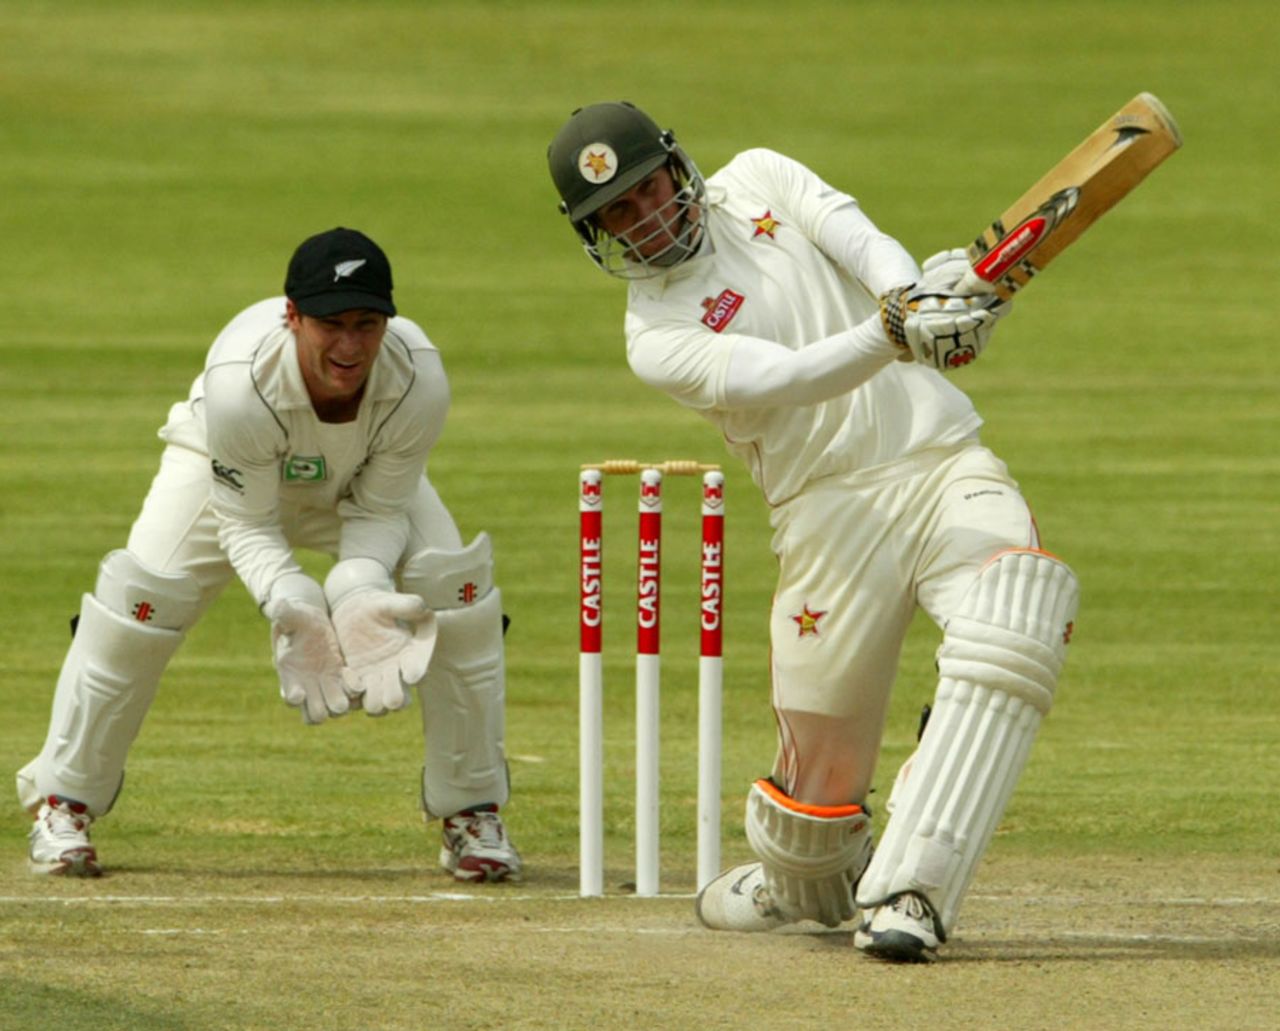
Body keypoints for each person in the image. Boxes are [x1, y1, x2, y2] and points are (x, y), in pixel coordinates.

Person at [547, 103, 1078, 962]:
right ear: (598, 234)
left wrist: (912, 298)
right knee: (814, 833)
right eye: (619, 213)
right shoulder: (655, 333)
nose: (646, 217)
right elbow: (791, 377)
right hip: (826, 516)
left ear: (677, 168)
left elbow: (863, 242)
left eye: (650, 190)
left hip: (939, 458)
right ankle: (791, 882)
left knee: (1016, 612)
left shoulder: (757, 174)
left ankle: (915, 887)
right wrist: (897, 330)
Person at [20, 227, 522, 884]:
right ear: (293, 317)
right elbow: (250, 522)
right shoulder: (240, 385)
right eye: (330, 324)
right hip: (226, 472)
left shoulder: (417, 380)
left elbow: (377, 511)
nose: (349, 345)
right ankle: (64, 801)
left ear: (387, 323)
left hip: (359, 478)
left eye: (366, 324)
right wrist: (292, 598)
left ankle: (472, 812)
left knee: (455, 594)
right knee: (140, 601)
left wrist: (358, 589)